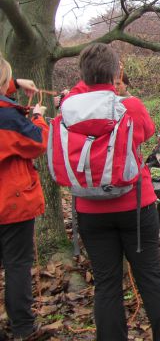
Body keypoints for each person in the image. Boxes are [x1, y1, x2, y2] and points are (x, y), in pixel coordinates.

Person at [59, 44, 160, 341]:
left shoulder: (69, 108)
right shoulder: (130, 106)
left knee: (107, 285)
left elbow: (79, 93)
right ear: (116, 74)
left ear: (83, 76)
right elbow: (148, 131)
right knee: (150, 277)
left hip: (89, 209)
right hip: (134, 205)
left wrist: (87, 83)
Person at [0, 57, 47, 340]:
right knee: (17, 264)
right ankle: (22, 327)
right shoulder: (7, 118)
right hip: (11, 201)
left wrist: (15, 84)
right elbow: (37, 142)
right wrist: (38, 117)